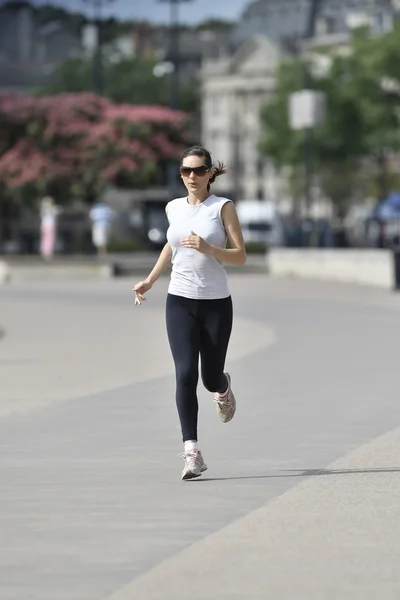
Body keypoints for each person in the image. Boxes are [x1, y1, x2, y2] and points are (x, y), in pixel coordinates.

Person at [133, 145, 246, 480]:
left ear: (210, 173)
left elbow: (240, 256)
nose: (192, 177)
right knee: (185, 374)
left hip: (215, 303)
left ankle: (222, 387)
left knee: (210, 376)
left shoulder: (222, 208)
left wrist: (210, 248)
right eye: (186, 171)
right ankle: (191, 453)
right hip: (179, 300)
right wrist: (151, 279)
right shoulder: (173, 208)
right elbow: (172, 242)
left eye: (198, 171)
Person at [40, 196, 60, 260]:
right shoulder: (47, 210)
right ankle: (47, 253)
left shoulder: (47, 210)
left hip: (47, 225)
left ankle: (46, 252)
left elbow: (58, 211)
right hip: (48, 225)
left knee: (47, 239)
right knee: (48, 240)